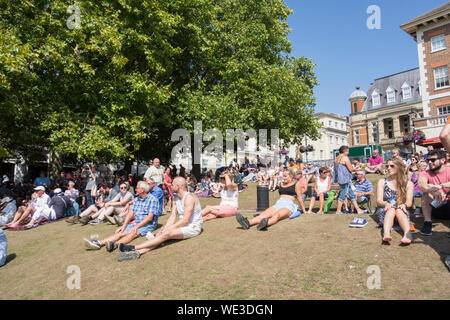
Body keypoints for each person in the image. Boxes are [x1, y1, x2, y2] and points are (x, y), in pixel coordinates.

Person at [116, 177, 203, 261]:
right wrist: (165, 228)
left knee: (166, 234)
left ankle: (133, 247)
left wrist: (168, 229)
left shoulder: (189, 198)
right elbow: (172, 217)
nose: (170, 186)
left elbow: (185, 220)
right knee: (161, 235)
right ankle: (138, 252)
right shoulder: (175, 198)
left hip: (193, 228)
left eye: (172, 185)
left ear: (178, 186)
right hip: (183, 226)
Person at [83, 181, 161, 252]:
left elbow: (149, 218)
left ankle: (114, 245)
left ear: (142, 190)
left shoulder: (153, 200)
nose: (135, 190)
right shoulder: (137, 199)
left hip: (149, 224)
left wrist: (136, 227)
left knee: (133, 233)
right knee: (121, 232)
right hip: (137, 222)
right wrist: (124, 226)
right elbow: (130, 214)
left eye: (137, 188)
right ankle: (99, 243)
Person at [236, 168, 303, 231]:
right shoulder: (281, 183)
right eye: (283, 176)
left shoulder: (296, 184)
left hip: (289, 205)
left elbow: (299, 197)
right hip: (278, 204)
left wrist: (304, 210)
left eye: (285, 176)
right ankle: (247, 223)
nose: (283, 178)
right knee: (263, 215)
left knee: (277, 215)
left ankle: (265, 224)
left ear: (291, 176)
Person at [376, 158, 414, 245]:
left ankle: (408, 235)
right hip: (385, 211)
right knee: (391, 209)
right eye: (387, 166)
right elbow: (379, 200)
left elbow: (409, 203)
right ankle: (386, 234)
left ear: (399, 167)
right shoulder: (382, 181)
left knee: (399, 211)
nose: (388, 168)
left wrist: (404, 205)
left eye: (392, 166)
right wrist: (385, 203)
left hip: (401, 211)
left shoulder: (408, 184)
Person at [418, 149, 450, 236]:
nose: (430, 162)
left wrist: (442, 185)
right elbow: (421, 184)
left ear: (443, 160)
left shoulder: (449, 170)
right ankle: (427, 223)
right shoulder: (426, 173)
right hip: (436, 206)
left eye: (433, 160)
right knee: (426, 191)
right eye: (428, 160)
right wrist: (432, 191)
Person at [333, 146, 362, 215]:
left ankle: (358, 210)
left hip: (340, 179)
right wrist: (358, 169)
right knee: (343, 195)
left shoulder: (336, 158)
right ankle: (338, 211)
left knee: (352, 195)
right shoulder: (345, 158)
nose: (348, 153)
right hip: (345, 179)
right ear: (345, 151)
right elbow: (350, 169)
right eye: (348, 151)